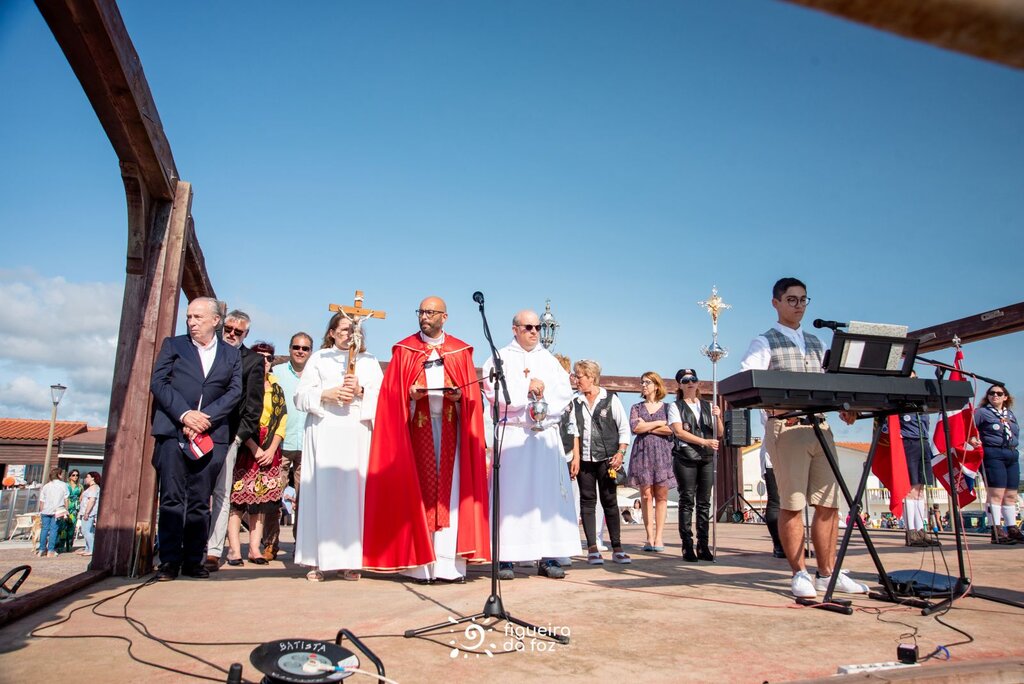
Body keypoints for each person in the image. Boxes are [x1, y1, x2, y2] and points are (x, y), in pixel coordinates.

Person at [739, 277, 868, 599]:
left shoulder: (817, 342)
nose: (799, 306)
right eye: (792, 299)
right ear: (776, 303)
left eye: (803, 300)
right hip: (788, 428)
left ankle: (827, 572)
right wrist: (776, 407)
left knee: (828, 504)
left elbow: (832, 382)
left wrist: (846, 406)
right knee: (793, 503)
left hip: (820, 428)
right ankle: (799, 573)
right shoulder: (764, 341)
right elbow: (748, 381)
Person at [362, 297, 490, 583]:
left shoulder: (459, 351)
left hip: (451, 428)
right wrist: (409, 396)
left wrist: (459, 398)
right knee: (418, 493)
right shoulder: (405, 350)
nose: (424, 316)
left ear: (444, 317)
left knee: (451, 494)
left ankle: (447, 566)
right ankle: (419, 566)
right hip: (415, 427)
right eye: (421, 312)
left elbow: (471, 397)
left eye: (430, 312)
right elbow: (390, 396)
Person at [482, 309, 580, 581]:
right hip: (515, 435)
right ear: (515, 329)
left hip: (544, 435)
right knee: (511, 496)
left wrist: (543, 402)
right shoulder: (499, 358)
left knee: (546, 497)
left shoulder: (549, 361)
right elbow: (494, 393)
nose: (535, 331)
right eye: (528, 327)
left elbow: (563, 393)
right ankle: (506, 557)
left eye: (537, 327)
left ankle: (548, 557)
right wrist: (527, 386)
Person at [150, 296, 242, 580]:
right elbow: (159, 383)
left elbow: (235, 392)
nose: (191, 322)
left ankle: (193, 560)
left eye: (198, 317)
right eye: (189, 317)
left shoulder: (231, 354)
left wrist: (205, 419)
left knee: (201, 501)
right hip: (174, 431)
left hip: (212, 436)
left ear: (216, 320)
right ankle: (169, 561)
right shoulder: (174, 346)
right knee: (171, 498)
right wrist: (185, 415)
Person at [294, 314, 383, 581]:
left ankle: (350, 561)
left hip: (356, 431)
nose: (350, 334)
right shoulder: (319, 358)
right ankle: (317, 560)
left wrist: (361, 390)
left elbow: (384, 397)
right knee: (321, 492)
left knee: (353, 495)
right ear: (332, 332)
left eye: (355, 330)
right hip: (325, 429)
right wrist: (326, 394)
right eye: (344, 329)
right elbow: (300, 396)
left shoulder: (369, 361)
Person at [205, 309, 264, 572]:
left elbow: (254, 406)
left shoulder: (252, 361)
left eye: (237, 332)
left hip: (229, 436)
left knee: (222, 493)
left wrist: (239, 438)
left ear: (245, 334)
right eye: (227, 329)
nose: (231, 334)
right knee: (193, 491)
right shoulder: (206, 352)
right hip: (197, 430)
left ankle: (213, 550)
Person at [226, 342, 286, 567]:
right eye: (259, 357)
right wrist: (253, 446)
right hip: (247, 444)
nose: (264, 361)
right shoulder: (243, 383)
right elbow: (239, 417)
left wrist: (271, 448)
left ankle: (254, 548)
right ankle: (234, 549)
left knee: (260, 502)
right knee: (238, 501)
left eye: (269, 358)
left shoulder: (276, 388)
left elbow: (282, 419)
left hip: (270, 447)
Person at [569, 359, 632, 566]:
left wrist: (621, 453)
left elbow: (624, 428)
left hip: (607, 459)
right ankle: (592, 548)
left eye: (579, 376)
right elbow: (574, 432)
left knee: (609, 501)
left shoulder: (610, 399)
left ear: (591, 377)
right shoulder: (575, 401)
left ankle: (617, 548)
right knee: (587, 501)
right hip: (585, 460)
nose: (576, 380)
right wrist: (576, 457)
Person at [262, 331, 312, 561]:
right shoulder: (278, 372)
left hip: (307, 443)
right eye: (296, 347)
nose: (300, 351)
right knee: (273, 496)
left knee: (305, 498)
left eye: (305, 348)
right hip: (280, 442)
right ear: (290, 349)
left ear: (310, 351)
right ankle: (270, 543)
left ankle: (301, 544)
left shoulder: (315, 373)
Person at [669, 368, 724, 562]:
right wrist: (703, 441)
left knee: (704, 502)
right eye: (685, 381)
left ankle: (703, 544)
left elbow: (719, 433)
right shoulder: (676, 407)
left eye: (693, 379)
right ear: (680, 385)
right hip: (686, 456)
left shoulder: (708, 405)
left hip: (706, 457)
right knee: (687, 500)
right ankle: (687, 545)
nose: (690, 383)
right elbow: (679, 432)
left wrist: (718, 416)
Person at [887, 372, 940, 548]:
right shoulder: (898, 402)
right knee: (910, 489)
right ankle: (911, 532)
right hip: (908, 443)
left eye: (913, 378)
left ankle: (921, 529)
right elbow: (888, 425)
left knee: (920, 490)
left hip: (923, 442)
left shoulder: (922, 402)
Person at [626, 371, 676, 553]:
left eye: (647, 382)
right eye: (642, 382)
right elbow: (635, 427)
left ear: (656, 385)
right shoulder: (636, 407)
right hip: (642, 454)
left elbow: (671, 430)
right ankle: (649, 536)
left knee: (661, 496)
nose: (644, 385)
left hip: (663, 454)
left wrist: (647, 426)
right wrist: (658, 423)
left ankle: (659, 536)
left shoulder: (669, 408)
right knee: (646, 495)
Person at [975, 384, 1021, 544]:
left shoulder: (1009, 414)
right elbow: (969, 429)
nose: (995, 395)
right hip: (993, 453)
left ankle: (1012, 528)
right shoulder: (982, 413)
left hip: (1011, 453)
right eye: (992, 393)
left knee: (1011, 495)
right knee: (996, 494)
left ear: (1005, 397)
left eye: (999, 393)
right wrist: (973, 440)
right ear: (987, 396)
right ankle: (996, 529)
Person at [36, 467, 69, 558]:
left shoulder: (46, 486)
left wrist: (41, 511)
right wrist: (66, 510)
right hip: (57, 510)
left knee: (44, 529)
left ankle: (41, 549)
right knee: (54, 530)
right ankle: (51, 550)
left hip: (45, 510)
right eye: (61, 474)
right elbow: (66, 499)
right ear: (58, 475)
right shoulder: (63, 485)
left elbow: (42, 500)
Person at [56, 469, 83, 553]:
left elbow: (81, 497)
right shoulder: (65, 485)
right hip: (65, 506)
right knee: (63, 527)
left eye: (77, 475)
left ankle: (69, 545)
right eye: (73, 475)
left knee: (72, 527)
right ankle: (60, 546)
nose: (75, 477)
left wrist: (79, 506)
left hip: (74, 508)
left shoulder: (80, 486)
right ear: (70, 476)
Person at [78, 472, 101, 556]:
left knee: (86, 531)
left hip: (89, 512)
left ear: (93, 478)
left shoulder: (94, 488)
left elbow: (92, 500)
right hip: (85, 511)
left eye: (88, 477)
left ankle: (91, 549)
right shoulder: (90, 488)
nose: (86, 479)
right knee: (86, 530)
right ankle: (87, 548)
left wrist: (87, 513)